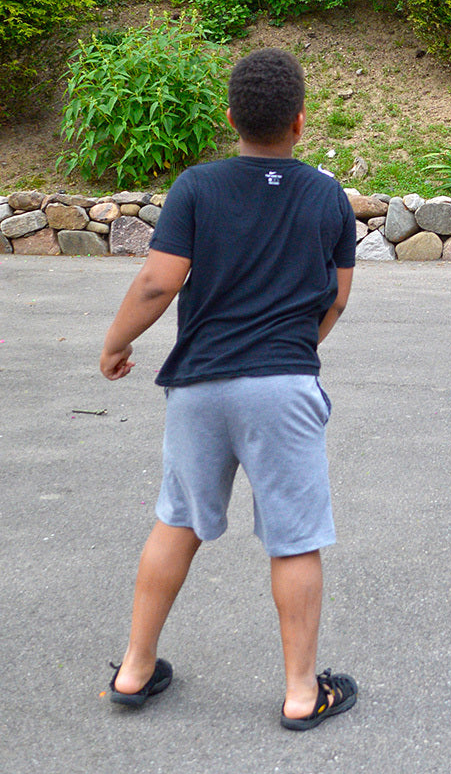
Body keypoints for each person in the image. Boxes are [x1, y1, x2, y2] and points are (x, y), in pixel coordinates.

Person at [100, 48, 359, 731]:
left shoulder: (197, 186)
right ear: (301, 122)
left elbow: (159, 281)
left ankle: (133, 668)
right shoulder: (325, 195)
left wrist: (116, 342)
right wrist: (294, 351)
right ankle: (302, 693)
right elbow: (335, 300)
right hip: (284, 385)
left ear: (230, 119)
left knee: (178, 519)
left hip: (200, 385)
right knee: (295, 538)